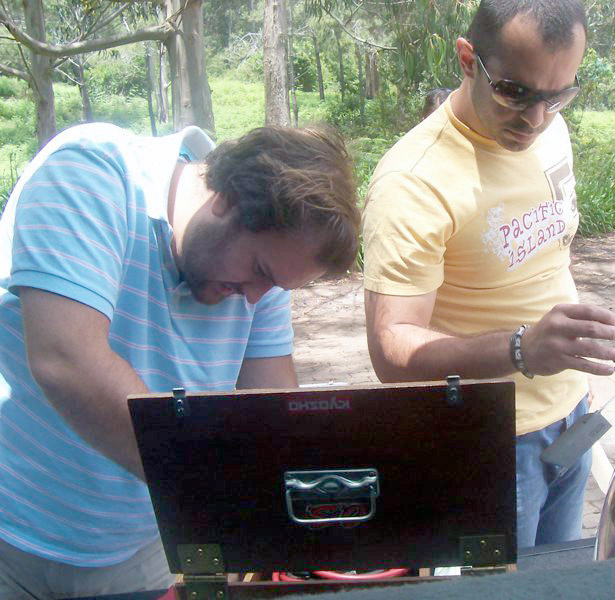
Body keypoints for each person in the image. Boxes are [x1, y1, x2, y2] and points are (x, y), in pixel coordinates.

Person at [0, 122, 359, 597]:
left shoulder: (263, 279)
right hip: (11, 536)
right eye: (259, 271)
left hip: (137, 553)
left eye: (275, 285)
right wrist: (210, 502)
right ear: (226, 200)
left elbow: (270, 413)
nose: (255, 298)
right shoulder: (91, 172)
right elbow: (67, 360)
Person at [361, 0, 615, 551]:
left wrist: (570, 372)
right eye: (514, 92)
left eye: (557, 95)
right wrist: (522, 349)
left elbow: (545, 258)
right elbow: (391, 350)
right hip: (491, 445)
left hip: (572, 415)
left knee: (557, 582)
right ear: (467, 59)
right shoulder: (413, 182)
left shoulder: (551, 131)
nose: (535, 118)